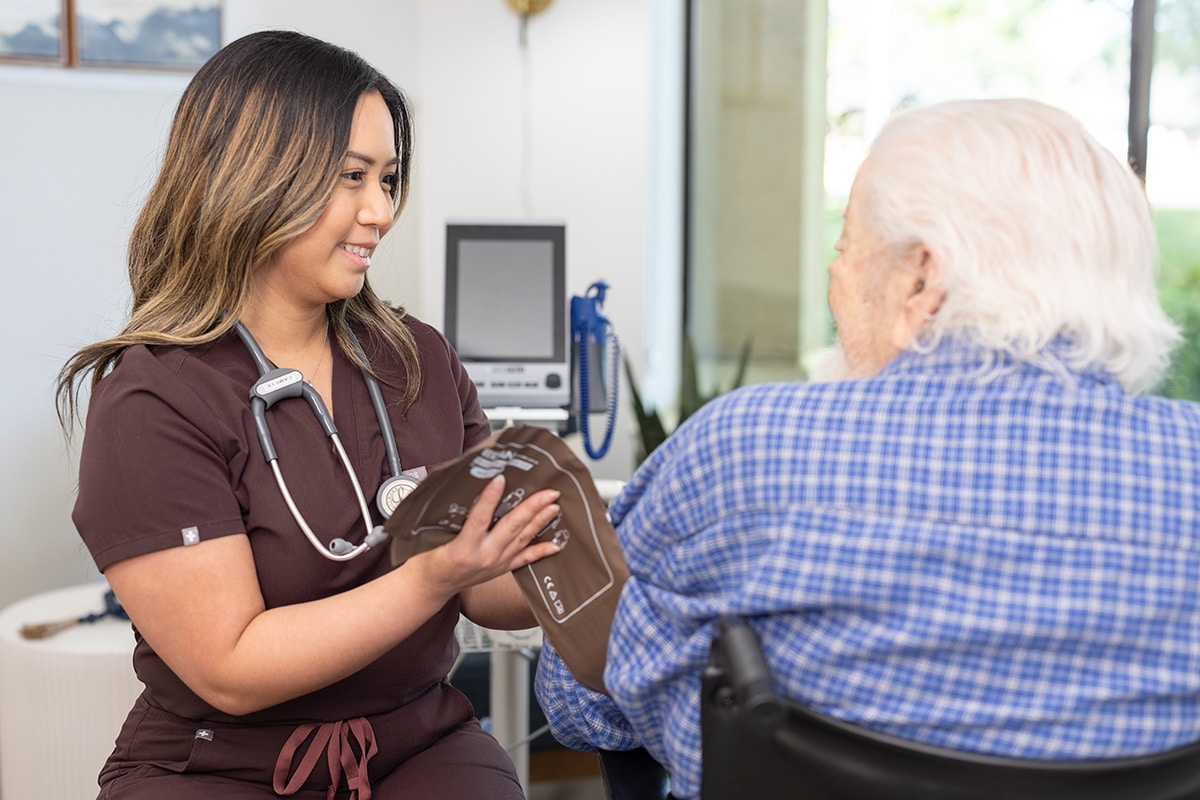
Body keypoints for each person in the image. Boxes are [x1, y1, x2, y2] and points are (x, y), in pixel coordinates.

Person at [534, 97, 1200, 799]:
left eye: (846, 248)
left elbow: (583, 699)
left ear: (921, 279)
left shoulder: (748, 448)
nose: (836, 279)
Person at [56, 30, 563, 800]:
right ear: (252, 176)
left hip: (417, 740)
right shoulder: (155, 397)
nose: (381, 210)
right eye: (351, 177)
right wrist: (429, 578)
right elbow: (230, 668)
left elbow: (483, 588)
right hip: (221, 763)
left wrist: (576, 554)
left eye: (388, 178)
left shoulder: (418, 360)